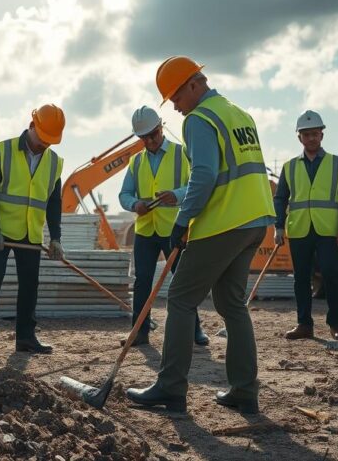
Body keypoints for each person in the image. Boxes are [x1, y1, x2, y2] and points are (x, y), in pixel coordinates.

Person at [126, 56, 273, 414]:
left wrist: (182, 222)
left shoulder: (200, 119)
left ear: (194, 84)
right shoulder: (238, 113)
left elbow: (206, 175)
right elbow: (228, 170)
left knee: (179, 299)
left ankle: (171, 388)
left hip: (224, 221)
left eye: (175, 97)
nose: (174, 108)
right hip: (255, 219)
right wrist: (181, 199)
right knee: (231, 304)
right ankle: (244, 390)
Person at [0, 104, 66, 360]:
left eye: (50, 141)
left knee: (30, 283)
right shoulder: (3, 150)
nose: (45, 144)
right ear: (32, 125)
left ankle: (25, 337)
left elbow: (54, 202)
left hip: (30, 234)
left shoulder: (54, 162)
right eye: (43, 137)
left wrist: (55, 237)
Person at [118, 105, 207, 348]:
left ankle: (194, 330)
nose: (149, 141)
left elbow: (198, 184)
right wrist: (135, 204)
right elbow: (124, 194)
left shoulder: (182, 154)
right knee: (142, 281)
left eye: (152, 135)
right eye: (144, 138)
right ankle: (140, 332)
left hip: (174, 228)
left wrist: (176, 195)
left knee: (182, 280)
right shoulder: (136, 162)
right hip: (146, 230)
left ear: (161, 127)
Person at [273, 110, 338, 341]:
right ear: (299, 137)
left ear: (322, 135)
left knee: (330, 273)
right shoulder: (289, 167)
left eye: (315, 134)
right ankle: (304, 324)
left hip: (328, 230)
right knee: (301, 278)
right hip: (299, 229)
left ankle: (335, 324)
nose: (311, 138)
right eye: (306, 134)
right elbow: (280, 199)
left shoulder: (337, 164)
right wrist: (278, 226)